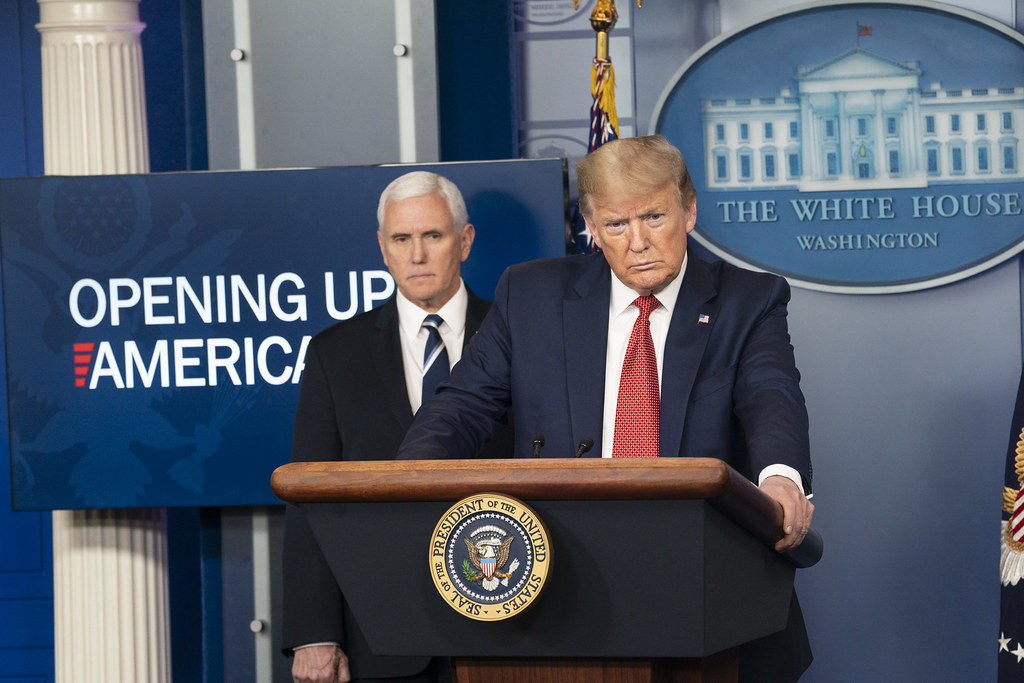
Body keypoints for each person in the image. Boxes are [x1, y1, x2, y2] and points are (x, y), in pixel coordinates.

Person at [397, 135, 814, 680]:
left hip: (708, 591)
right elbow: (461, 407)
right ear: (591, 228)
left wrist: (781, 479)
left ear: (689, 211)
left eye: (655, 217)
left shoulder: (748, 301)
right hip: (559, 593)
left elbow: (770, 395)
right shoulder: (531, 295)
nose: (638, 241)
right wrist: (406, 481)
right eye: (616, 225)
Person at [282, 171, 510, 683]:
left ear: (465, 241)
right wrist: (315, 634)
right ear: (384, 249)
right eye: (402, 240)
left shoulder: (518, 336)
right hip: (380, 634)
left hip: (507, 623)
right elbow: (309, 500)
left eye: (433, 236)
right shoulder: (334, 354)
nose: (417, 255)